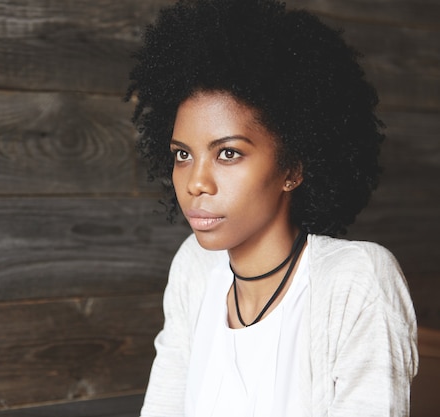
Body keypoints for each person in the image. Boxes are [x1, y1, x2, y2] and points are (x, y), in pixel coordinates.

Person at [125, 0, 419, 416]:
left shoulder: (356, 281)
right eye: (183, 155)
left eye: (228, 153)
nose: (195, 183)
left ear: (292, 169)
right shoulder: (194, 267)